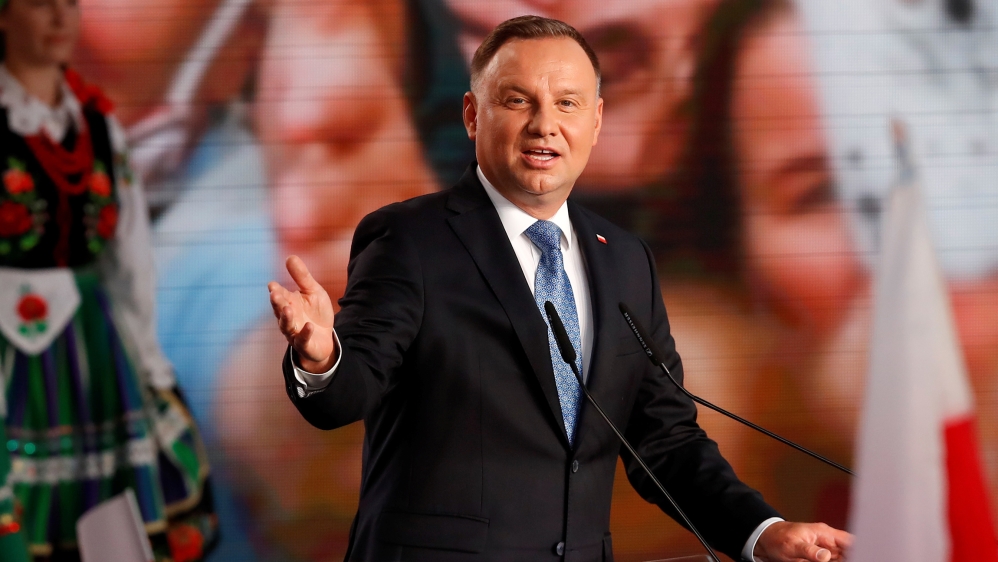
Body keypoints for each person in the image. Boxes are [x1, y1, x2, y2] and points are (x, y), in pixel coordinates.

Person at [268, 15, 851, 562]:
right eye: (518, 100)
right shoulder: (410, 238)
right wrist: (321, 358)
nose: (544, 123)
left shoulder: (624, 260)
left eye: (566, 103)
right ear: (472, 115)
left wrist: (761, 532)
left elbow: (665, 441)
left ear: (594, 122)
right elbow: (348, 392)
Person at [0, 0, 216, 560]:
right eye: (40, 5)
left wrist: (147, 361)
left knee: (107, 518)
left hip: (96, 348)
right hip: (10, 348)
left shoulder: (97, 127)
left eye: (68, 5)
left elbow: (129, 255)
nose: (59, 19)